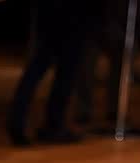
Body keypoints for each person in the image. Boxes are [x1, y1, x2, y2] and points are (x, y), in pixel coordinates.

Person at [7, 0, 99, 145]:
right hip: (73, 10)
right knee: (65, 70)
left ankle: (18, 121)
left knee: (39, 65)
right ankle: (52, 125)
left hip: (49, 8)